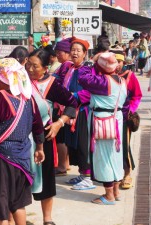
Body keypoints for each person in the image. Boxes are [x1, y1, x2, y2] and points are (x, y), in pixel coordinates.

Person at [0, 58, 45, 225]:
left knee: (0, 207)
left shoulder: (0, 99)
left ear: (4, 78)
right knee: (18, 204)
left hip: (2, 159)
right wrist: (39, 148)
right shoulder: (28, 98)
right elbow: (38, 126)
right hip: (23, 157)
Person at [25, 48, 78, 225]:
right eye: (28, 64)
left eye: (35, 66)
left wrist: (59, 123)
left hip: (44, 137)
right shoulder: (20, 81)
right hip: (22, 138)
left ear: (45, 68)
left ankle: (47, 219)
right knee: (20, 180)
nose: (30, 69)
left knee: (46, 179)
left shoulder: (52, 85)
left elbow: (72, 104)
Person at [78, 52, 128, 205]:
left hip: (102, 121)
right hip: (116, 120)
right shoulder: (121, 80)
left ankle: (108, 195)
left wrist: (92, 61)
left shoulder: (102, 82)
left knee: (103, 157)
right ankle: (116, 191)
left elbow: (82, 77)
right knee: (116, 157)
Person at [62, 37, 96, 191]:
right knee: (74, 145)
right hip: (71, 110)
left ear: (84, 54)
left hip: (83, 111)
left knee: (84, 144)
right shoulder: (70, 68)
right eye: (73, 50)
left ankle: (88, 177)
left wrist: (74, 96)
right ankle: (82, 174)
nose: (74, 53)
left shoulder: (88, 70)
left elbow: (90, 91)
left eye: (78, 51)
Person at [115, 54, 142, 189]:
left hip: (124, 117)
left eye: (119, 61)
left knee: (124, 145)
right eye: (114, 61)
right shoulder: (105, 75)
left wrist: (130, 109)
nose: (117, 64)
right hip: (108, 117)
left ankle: (127, 174)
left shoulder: (129, 76)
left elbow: (137, 95)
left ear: (123, 62)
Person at [52, 37, 73, 176]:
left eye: (60, 52)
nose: (58, 55)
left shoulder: (66, 65)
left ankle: (62, 166)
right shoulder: (66, 65)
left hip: (61, 105)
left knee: (61, 137)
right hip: (62, 104)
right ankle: (65, 164)